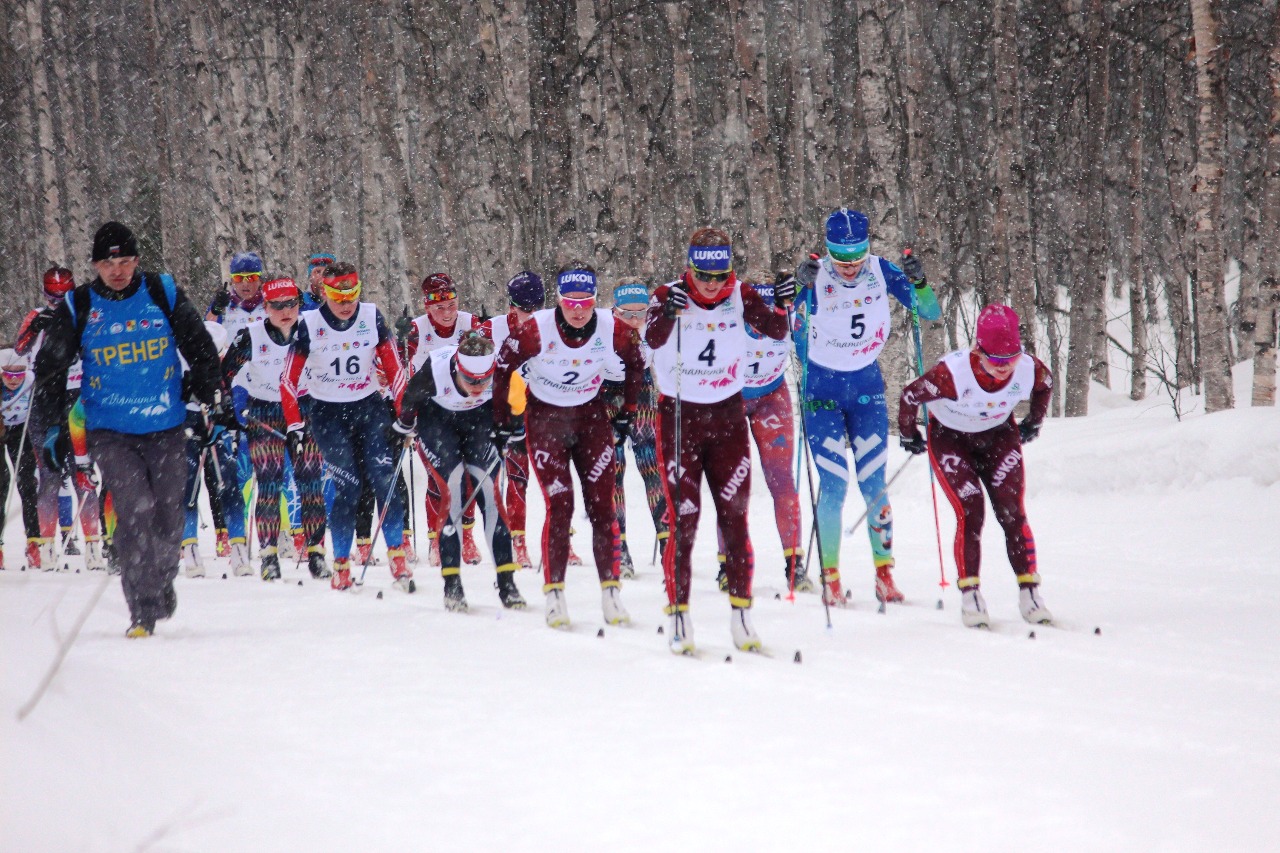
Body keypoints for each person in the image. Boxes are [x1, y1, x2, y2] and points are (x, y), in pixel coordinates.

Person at [32, 221, 222, 637]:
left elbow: (199, 344)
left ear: (137, 261)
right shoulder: (79, 305)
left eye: (125, 260)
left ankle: (160, 578)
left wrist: (209, 389)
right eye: (107, 262)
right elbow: (49, 370)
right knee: (135, 510)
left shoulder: (161, 292)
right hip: (110, 427)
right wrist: (51, 428)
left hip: (166, 421)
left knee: (171, 515)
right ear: (96, 265)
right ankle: (143, 609)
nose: (117, 269)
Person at [646, 228, 793, 654]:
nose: (711, 285)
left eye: (719, 275)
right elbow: (652, 338)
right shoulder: (668, 293)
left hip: (727, 418)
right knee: (685, 521)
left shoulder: (741, 294)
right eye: (703, 275)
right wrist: (666, 315)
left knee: (735, 516)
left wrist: (784, 302)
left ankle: (742, 616)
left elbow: (775, 329)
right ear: (689, 269)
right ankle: (679, 615)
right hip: (679, 419)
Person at [793, 208, 941, 607]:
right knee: (835, 486)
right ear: (827, 253)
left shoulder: (880, 270)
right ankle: (832, 580)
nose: (849, 269)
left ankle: (885, 575)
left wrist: (919, 281)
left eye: (856, 260)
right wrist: (796, 292)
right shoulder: (813, 275)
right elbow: (788, 327)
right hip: (821, 393)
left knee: (874, 485)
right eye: (840, 261)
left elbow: (929, 311)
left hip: (866, 390)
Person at [493, 265, 643, 629]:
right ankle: (555, 594)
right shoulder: (535, 329)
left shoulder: (613, 328)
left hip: (590, 418)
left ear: (596, 301)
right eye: (571, 302)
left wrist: (627, 412)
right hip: (545, 420)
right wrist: (501, 421)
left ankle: (611, 593)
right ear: (558, 300)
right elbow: (501, 368)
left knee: (602, 505)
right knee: (560, 504)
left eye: (587, 302)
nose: (579, 310)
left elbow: (636, 364)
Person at [898, 304, 1053, 628]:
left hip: (998, 437)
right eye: (995, 361)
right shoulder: (951, 374)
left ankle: (1030, 594)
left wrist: (1034, 422)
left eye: (1009, 360)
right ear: (978, 351)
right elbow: (910, 396)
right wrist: (909, 434)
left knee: (1012, 511)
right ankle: (971, 597)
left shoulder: (1027, 368)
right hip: (952, 440)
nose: (1003, 369)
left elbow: (1045, 385)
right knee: (972, 511)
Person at [280, 262, 414, 592]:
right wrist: (295, 424)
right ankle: (341, 563)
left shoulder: (371, 316)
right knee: (349, 487)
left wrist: (405, 415)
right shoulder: (309, 323)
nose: (346, 303)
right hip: (327, 414)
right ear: (324, 292)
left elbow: (395, 371)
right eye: (338, 296)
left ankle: (398, 557)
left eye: (352, 295)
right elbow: (287, 379)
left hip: (368, 409)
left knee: (386, 481)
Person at [396, 332, 526, 611]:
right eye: (470, 380)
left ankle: (507, 582)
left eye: (484, 380)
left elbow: (518, 406)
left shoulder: (502, 369)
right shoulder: (437, 367)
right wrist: (403, 425)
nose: (478, 386)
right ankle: (452, 584)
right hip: (438, 421)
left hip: (478, 421)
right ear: (457, 367)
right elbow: (410, 400)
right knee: (452, 491)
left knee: (490, 498)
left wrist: (513, 428)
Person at [222, 277, 329, 581]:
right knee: (269, 483)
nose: (286, 311)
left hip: (305, 407)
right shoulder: (251, 336)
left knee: (310, 483)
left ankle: (316, 553)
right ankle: (269, 555)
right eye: (278, 306)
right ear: (265, 307)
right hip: (266, 411)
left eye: (292, 304)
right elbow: (224, 374)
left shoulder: (311, 329)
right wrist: (228, 406)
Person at [715, 275, 805, 593]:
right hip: (733, 399)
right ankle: (727, 563)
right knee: (733, 483)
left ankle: (795, 564)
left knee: (782, 480)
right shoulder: (729, 318)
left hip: (772, 396)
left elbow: (808, 349)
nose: (762, 322)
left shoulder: (789, 316)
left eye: (771, 310)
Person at [16, 266, 105, 571]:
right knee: (49, 475)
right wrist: (35, 327)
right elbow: (19, 349)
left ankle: (93, 545)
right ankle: (47, 546)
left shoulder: (85, 313)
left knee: (83, 471)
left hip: (78, 398)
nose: (56, 303)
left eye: (63, 296)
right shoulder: (37, 315)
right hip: (44, 400)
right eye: (52, 297)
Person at [406, 272, 483, 567]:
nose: (448, 313)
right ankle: (436, 539)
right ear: (427, 307)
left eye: (452, 305)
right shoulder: (416, 329)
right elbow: (399, 372)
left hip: (467, 407)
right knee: (440, 480)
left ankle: (467, 536)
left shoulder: (470, 323)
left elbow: (484, 360)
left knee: (468, 477)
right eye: (440, 308)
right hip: (432, 411)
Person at [602, 281, 668, 578]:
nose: (633, 320)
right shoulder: (601, 325)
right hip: (606, 394)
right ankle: (620, 545)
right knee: (612, 469)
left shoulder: (654, 324)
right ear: (613, 310)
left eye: (639, 313)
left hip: (641, 391)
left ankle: (668, 541)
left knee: (652, 465)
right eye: (625, 313)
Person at [480, 271, 545, 570]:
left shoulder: (551, 326)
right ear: (511, 308)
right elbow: (466, 362)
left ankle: (545, 541)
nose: (532, 316)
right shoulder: (492, 329)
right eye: (525, 310)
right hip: (500, 413)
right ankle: (505, 539)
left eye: (537, 308)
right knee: (495, 478)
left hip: (539, 410)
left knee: (540, 479)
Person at [206, 251, 266, 557]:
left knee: (263, 460)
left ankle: (274, 530)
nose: (246, 285)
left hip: (261, 386)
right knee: (227, 464)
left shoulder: (269, 303)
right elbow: (206, 336)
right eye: (240, 279)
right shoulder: (223, 304)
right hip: (230, 388)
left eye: (252, 279)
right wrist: (214, 312)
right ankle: (226, 531)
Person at [180, 322, 249, 577]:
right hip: (187, 422)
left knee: (229, 479)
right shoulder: (181, 359)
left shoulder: (227, 364)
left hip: (216, 423)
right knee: (188, 484)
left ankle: (239, 549)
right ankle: (190, 549)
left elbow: (233, 393)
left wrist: (232, 415)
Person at [0, 349, 40, 571]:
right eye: (8, 375)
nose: (14, 380)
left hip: (20, 432)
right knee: (1, 486)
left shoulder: (32, 381)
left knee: (27, 486)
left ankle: (34, 543)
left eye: (19, 375)